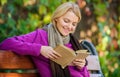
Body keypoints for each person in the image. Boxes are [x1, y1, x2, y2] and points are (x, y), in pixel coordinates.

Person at [0, 2, 90, 77]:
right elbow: (6, 43)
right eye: (66, 21)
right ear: (56, 18)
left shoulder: (73, 42)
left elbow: (86, 75)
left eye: (74, 24)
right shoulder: (41, 35)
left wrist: (81, 66)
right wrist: (40, 49)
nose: (70, 27)